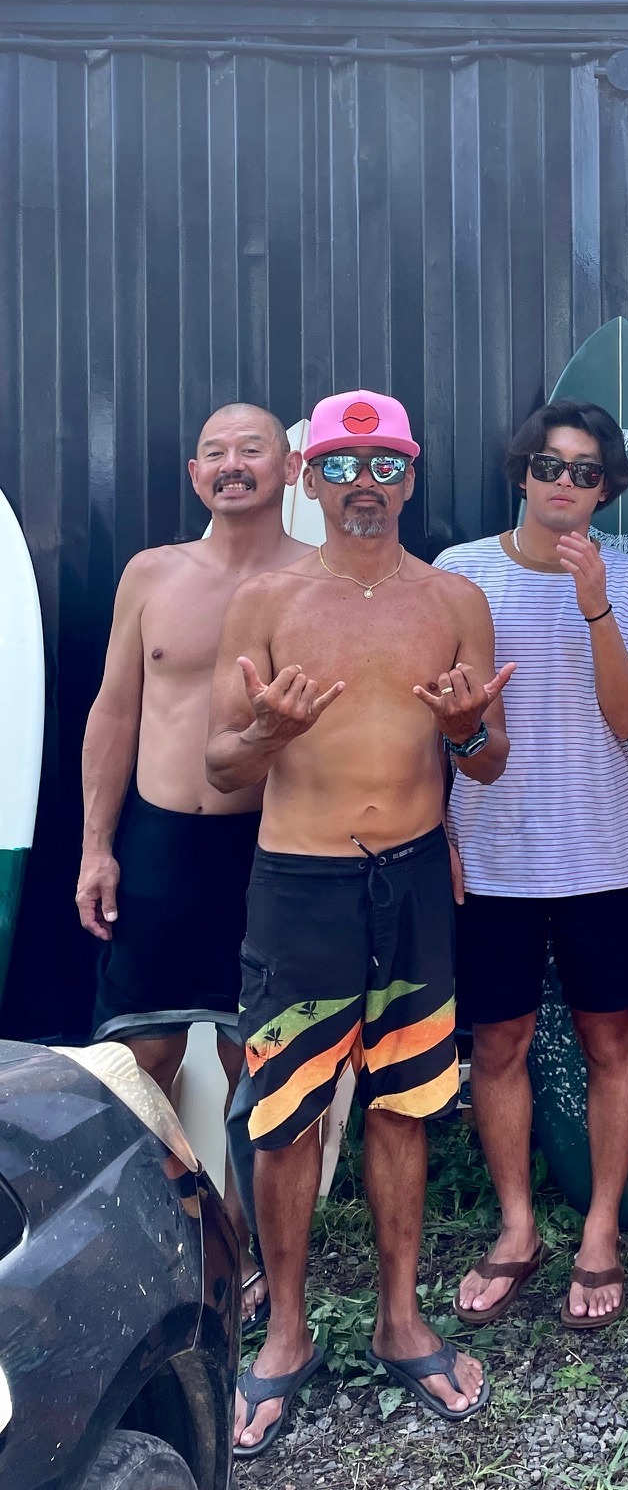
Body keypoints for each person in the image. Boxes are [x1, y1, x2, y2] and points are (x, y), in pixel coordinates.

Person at [205, 390, 510, 1454]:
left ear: (411, 477)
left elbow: (489, 761)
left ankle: (399, 1319)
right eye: (340, 466)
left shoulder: (454, 598)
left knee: (406, 1104)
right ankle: (285, 1332)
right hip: (300, 886)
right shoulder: (266, 601)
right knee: (286, 1115)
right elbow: (219, 764)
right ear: (308, 479)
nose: (363, 485)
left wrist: (465, 732)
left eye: (383, 466)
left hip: (413, 884)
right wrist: (266, 735)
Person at [437, 401, 628, 1332]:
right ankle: (518, 1227)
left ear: (607, 488)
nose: (563, 481)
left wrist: (595, 602)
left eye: (584, 470)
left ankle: (601, 1228)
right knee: (498, 1046)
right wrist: (439, 829)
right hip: (491, 856)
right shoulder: (460, 572)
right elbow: (433, 718)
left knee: (612, 1042)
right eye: (548, 463)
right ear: (521, 471)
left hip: (601, 852)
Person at [77, 403, 308, 1323]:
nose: (232, 464)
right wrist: (97, 846)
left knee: (259, 1056)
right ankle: (170, 1243)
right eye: (215, 452)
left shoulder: (315, 580)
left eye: (252, 449)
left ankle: (243, 1254)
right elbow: (114, 711)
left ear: (290, 468)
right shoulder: (152, 574)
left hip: (270, 845)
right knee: (143, 1055)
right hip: (160, 842)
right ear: (195, 474)